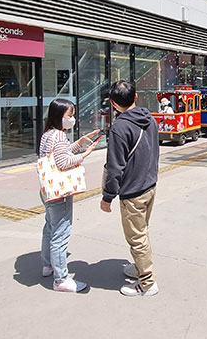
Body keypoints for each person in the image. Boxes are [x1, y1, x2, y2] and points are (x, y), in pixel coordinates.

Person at [101, 80, 161, 296]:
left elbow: (115, 167)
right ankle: (139, 267)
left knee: (137, 237)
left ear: (114, 103)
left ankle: (147, 282)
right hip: (149, 186)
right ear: (135, 97)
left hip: (133, 192)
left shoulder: (119, 127)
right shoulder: (150, 119)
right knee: (142, 232)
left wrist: (107, 197)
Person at [39, 98, 100, 293]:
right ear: (59, 116)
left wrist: (79, 143)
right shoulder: (57, 136)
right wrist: (85, 154)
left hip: (47, 189)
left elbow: (60, 154)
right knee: (61, 233)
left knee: (50, 227)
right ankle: (61, 279)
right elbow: (64, 162)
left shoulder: (48, 134)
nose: (72, 119)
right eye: (69, 116)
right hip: (60, 192)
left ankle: (47, 264)